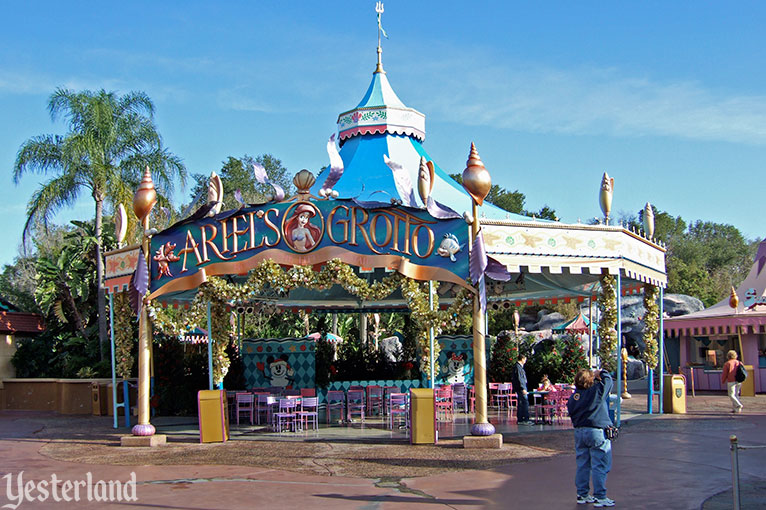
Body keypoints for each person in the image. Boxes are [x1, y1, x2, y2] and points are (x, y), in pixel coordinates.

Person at [567, 368, 614, 507]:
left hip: (579, 431)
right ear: (591, 380)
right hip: (596, 430)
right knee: (599, 464)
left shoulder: (574, 397)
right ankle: (600, 496)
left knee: (583, 463)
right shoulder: (596, 392)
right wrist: (602, 372)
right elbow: (609, 381)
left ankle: (582, 494)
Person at [511, 354, 532, 425]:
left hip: (520, 388)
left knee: (521, 403)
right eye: (525, 359)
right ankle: (524, 419)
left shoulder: (518, 367)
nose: (525, 361)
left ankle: (520, 419)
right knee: (524, 402)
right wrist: (522, 388)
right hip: (521, 388)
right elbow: (520, 378)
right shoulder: (518, 367)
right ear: (522, 359)